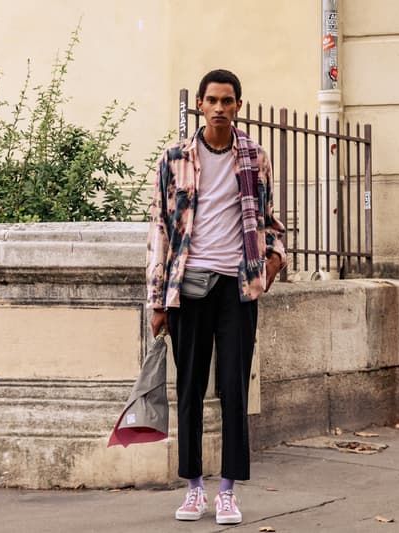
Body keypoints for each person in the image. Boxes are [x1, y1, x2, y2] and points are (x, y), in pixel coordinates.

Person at [146, 69, 286, 525]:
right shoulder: (174, 159)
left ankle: (227, 491)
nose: (220, 108)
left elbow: (269, 221)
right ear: (200, 106)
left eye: (228, 100)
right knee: (188, 390)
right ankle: (193, 489)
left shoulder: (255, 158)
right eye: (212, 100)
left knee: (233, 390)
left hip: (238, 289)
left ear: (238, 107)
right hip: (188, 288)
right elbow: (160, 231)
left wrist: (273, 262)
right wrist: (157, 299)